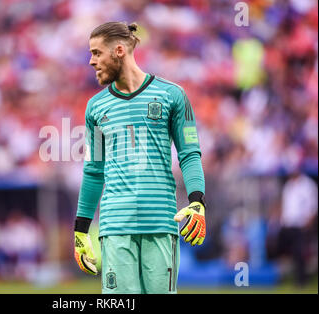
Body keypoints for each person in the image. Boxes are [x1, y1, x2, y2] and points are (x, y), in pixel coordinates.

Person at [73, 22, 207, 294]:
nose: (91, 61)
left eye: (97, 53)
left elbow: (189, 154)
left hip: (160, 223)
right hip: (115, 227)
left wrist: (197, 201)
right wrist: (81, 230)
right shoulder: (95, 107)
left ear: (119, 51)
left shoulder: (172, 95)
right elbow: (93, 171)